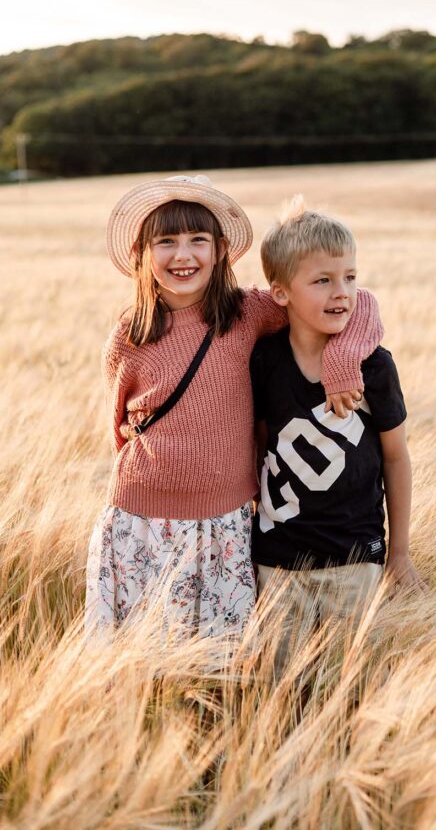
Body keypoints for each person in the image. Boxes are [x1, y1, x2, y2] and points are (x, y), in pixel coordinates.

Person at [85, 175, 382, 646]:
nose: (183, 256)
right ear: (143, 251)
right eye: (166, 242)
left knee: (221, 664)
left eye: (197, 240)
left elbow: (356, 302)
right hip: (139, 524)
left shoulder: (247, 313)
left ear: (221, 249)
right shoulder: (128, 337)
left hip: (224, 525)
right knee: (141, 659)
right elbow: (118, 431)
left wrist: (343, 361)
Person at [251, 197, 422, 667]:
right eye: (322, 280)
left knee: (348, 685)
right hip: (277, 558)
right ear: (280, 293)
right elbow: (262, 445)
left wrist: (399, 553)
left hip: (355, 558)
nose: (341, 292)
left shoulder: (374, 365)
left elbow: (396, 457)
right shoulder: (264, 360)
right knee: (279, 686)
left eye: (350, 277)